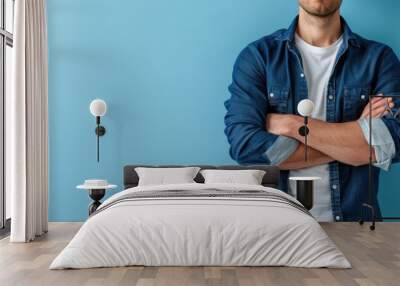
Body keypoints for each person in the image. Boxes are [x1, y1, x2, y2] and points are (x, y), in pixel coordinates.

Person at [224, 0, 400, 221]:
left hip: (357, 227)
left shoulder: (379, 59)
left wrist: (292, 125)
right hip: (277, 228)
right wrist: (356, 146)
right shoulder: (259, 57)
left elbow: (392, 142)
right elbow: (245, 145)